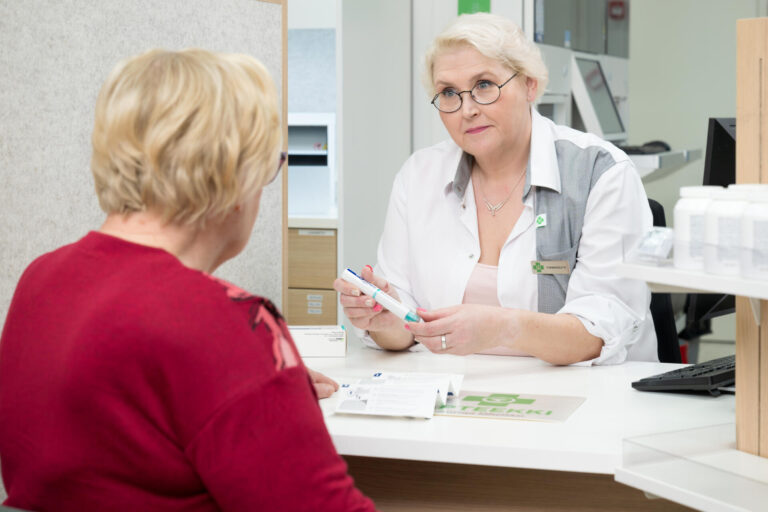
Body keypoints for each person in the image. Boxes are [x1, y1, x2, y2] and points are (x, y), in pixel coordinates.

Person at [0, 49, 375, 511]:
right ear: (234, 174)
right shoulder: (230, 322)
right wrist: (256, 365)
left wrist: (262, 387)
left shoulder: (42, 279)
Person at [335, 13, 657, 366]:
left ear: (530, 85)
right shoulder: (418, 176)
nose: (467, 110)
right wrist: (386, 321)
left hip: (586, 392)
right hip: (451, 390)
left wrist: (503, 328)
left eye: (485, 84)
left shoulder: (601, 173)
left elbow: (602, 331)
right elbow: (405, 329)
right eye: (448, 93)